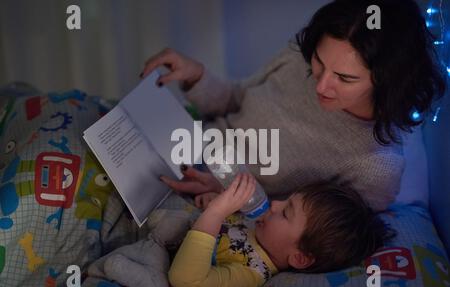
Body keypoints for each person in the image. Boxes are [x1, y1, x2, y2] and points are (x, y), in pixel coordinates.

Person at [140, 0, 446, 212]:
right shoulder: (298, 57)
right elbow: (236, 98)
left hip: (213, 201)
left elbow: (309, 230)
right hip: (187, 143)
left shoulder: (376, 167)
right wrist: (196, 75)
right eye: (320, 62)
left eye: (344, 78)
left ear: (387, 82)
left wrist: (228, 192)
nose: (321, 85)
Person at [80, 173, 392, 287]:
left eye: (287, 212)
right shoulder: (259, 228)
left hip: (157, 277)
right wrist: (210, 197)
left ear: (299, 257)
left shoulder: (250, 275)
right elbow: (222, 220)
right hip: (151, 236)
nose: (277, 203)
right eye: (287, 200)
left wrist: (214, 214)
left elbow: (187, 279)